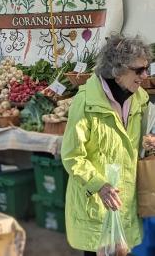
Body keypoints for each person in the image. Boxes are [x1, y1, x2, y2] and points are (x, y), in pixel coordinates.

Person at [61, 34, 152, 255]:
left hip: (124, 201)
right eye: (138, 70)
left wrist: (149, 144)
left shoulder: (139, 99)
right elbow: (72, 156)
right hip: (95, 203)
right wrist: (99, 185)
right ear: (117, 70)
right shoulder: (85, 103)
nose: (145, 75)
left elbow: (135, 146)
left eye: (147, 68)